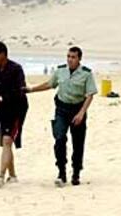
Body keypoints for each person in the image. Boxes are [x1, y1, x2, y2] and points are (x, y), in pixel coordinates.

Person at [25, 46, 97, 187]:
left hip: (78, 110)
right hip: (62, 110)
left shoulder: (86, 74)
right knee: (59, 139)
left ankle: (76, 172)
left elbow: (90, 95)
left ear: (79, 59)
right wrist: (32, 89)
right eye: (68, 56)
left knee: (78, 143)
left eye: (73, 57)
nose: (70, 59)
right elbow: (49, 84)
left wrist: (81, 113)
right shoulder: (60, 71)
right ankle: (61, 172)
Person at [0, 41, 28, 188]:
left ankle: (1, 175)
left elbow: (19, 90)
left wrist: (0, 99)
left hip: (17, 109)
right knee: (5, 142)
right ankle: (13, 175)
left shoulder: (16, 69)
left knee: (7, 141)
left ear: (3, 54)